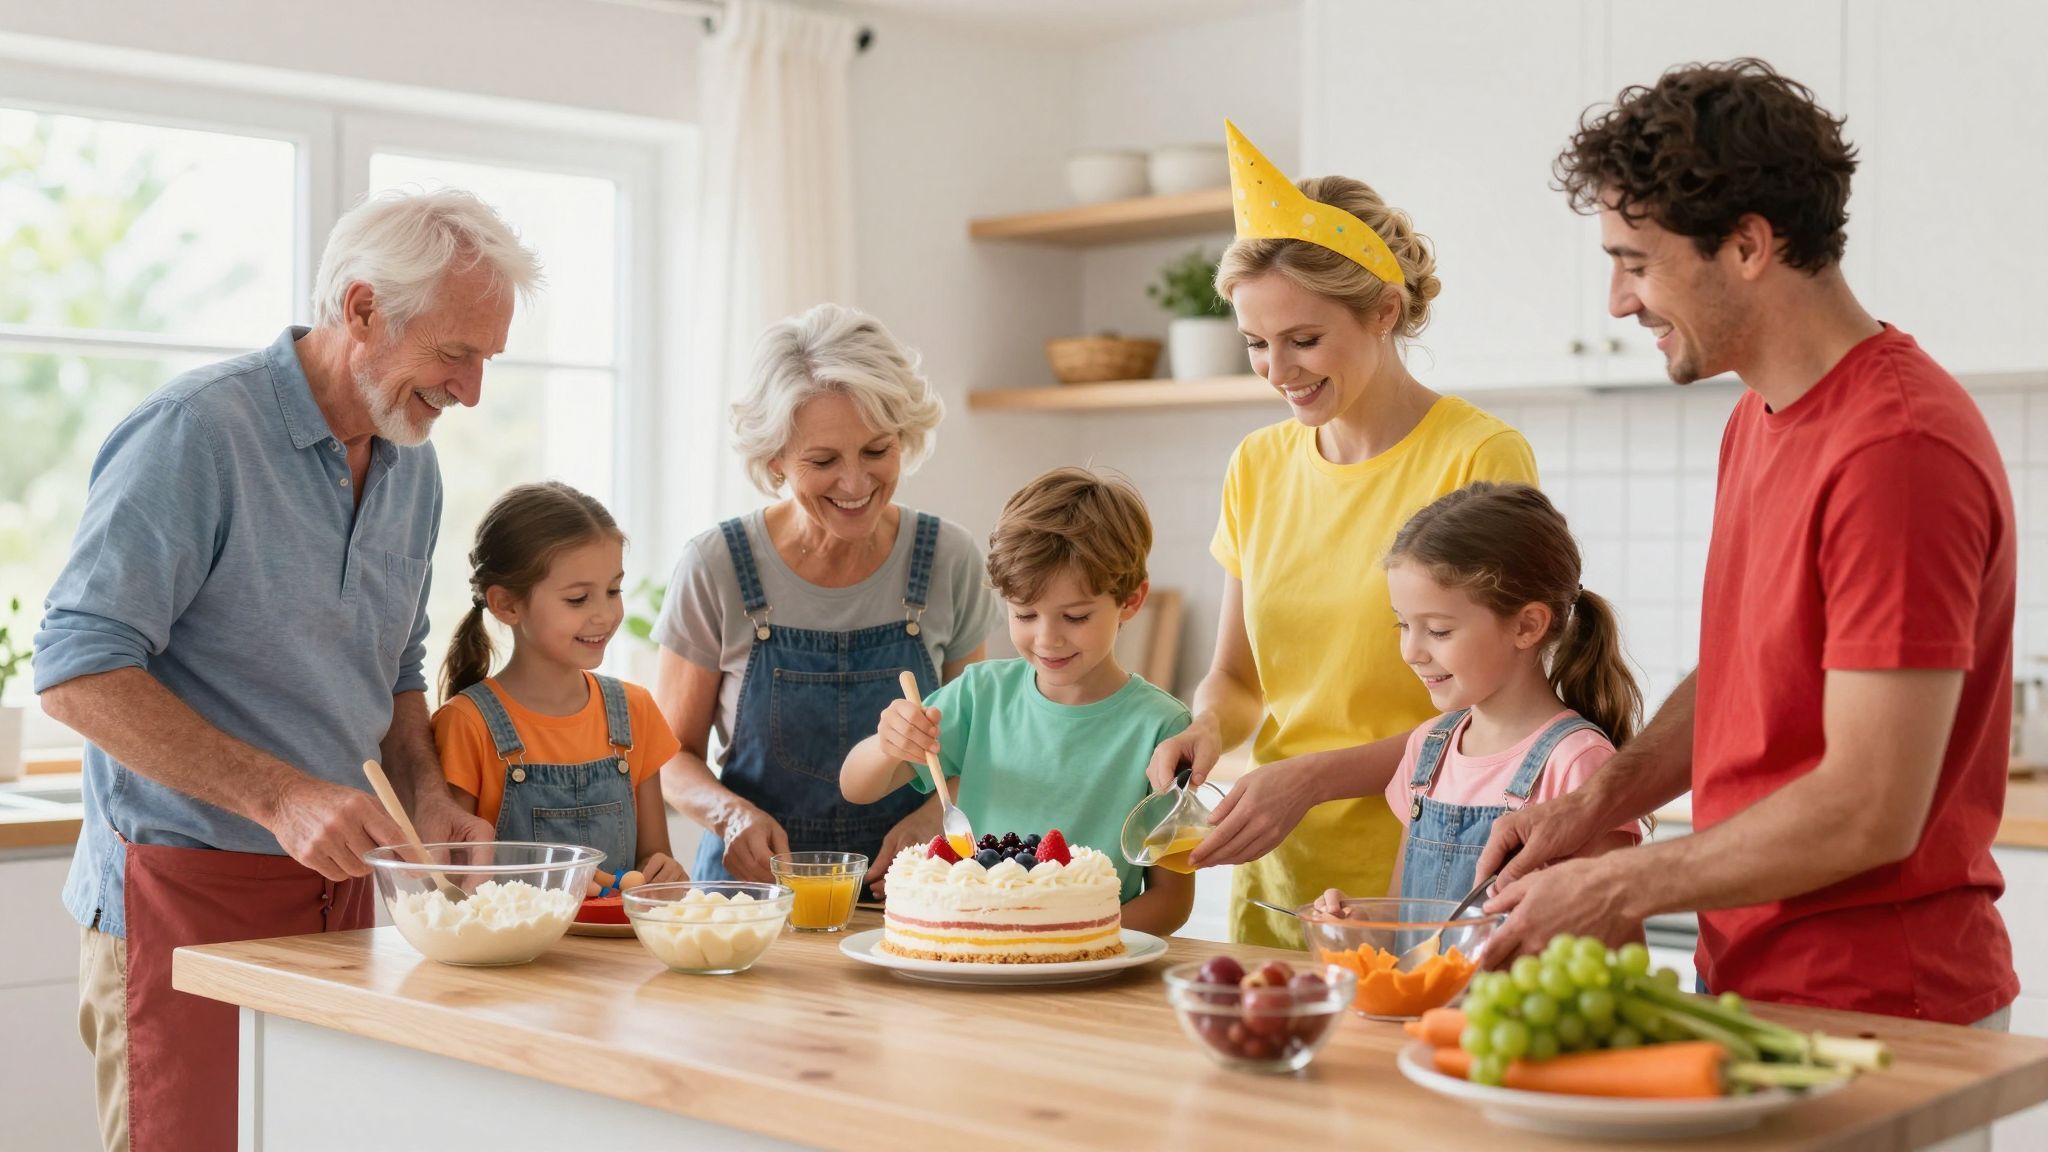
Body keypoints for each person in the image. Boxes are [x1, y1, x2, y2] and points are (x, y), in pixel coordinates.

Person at [1474, 61, 2018, 1053]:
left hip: (1883, 1009)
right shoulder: (1757, 418)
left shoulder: (1894, 449)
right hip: (1759, 986)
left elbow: (1867, 810)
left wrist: (1618, 880)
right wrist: (1594, 803)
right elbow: (1740, 678)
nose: (1614, 301)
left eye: (1633, 261)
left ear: (1746, 245)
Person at [35, 188, 539, 1150]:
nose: (473, 391)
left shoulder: (410, 461)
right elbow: (75, 671)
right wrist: (280, 798)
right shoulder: (196, 434)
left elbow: (394, 669)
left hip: (344, 894)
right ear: (360, 310)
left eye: (487, 360)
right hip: (181, 892)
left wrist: (425, 795)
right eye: (456, 353)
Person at [1142, 121, 1539, 948]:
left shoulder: (1477, 455)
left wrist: (1311, 779)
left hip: (1425, 873)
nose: (1278, 370)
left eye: (1304, 339)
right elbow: (1235, 674)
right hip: (1276, 865)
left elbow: (1496, 710)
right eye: (1255, 343)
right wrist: (1208, 726)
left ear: (1384, 311)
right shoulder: (1257, 464)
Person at [653, 303, 997, 898]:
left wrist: (928, 824)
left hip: (908, 901)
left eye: (876, 451)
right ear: (774, 460)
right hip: (749, 905)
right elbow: (669, 759)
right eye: (823, 460)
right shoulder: (715, 566)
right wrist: (729, 816)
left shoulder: (949, 560)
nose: (856, 483)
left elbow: (982, 746)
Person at [841, 467, 1195, 935]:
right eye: (1024, 614)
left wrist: (1067, 942)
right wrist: (888, 744)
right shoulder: (980, 694)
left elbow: (1171, 902)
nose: (1047, 639)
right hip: (975, 950)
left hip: (1094, 975)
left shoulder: (1165, 728)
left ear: (1131, 601)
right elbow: (856, 786)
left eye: (1075, 616)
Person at [1308, 482, 1641, 919]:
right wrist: (1356, 923)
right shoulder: (1429, 748)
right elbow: (1405, 921)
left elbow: (1610, 940)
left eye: (1439, 630)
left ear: (1527, 626)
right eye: (1403, 625)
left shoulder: (1578, 761)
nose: (1411, 651)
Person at [432, 481, 685, 885]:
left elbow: (653, 860)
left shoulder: (635, 711)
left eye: (613, 590)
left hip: (612, 950)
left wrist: (664, 873)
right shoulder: (466, 724)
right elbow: (448, 887)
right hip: (509, 949)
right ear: (507, 604)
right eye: (578, 599)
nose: (604, 614)